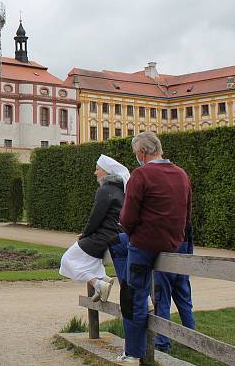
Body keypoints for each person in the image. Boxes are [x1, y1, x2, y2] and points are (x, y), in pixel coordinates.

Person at [116, 132, 192, 363]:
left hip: (144, 245)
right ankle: (172, 339)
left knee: (133, 297)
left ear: (141, 153)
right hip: (173, 244)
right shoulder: (181, 174)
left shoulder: (141, 174)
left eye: (135, 154)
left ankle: (133, 352)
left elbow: (127, 217)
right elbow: (187, 213)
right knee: (171, 293)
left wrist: (131, 234)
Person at [59, 154, 128, 302]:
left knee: (67, 260)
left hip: (104, 236)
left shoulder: (106, 189)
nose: (95, 173)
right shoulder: (120, 190)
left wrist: (85, 234)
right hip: (115, 234)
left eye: (97, 169)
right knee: (90, 261)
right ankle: (102, 282)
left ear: (107, 172)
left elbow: (96, 217)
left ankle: (99, 282)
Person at [153, 223, 195, 353]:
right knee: (184, 300)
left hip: (165, 255)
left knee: (162, 301)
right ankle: (191, 340)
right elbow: (190, 239)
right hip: (183, 252)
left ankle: (162, 342)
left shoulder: (162, 212)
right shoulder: (184, 213)